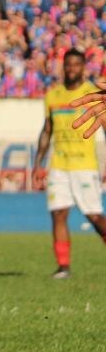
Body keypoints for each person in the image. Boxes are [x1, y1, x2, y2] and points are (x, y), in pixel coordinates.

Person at [34, 49, 106, 279]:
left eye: (76, 65)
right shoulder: (53, 95)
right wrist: (38, 162)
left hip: (85, 166)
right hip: (59, 166)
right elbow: (47, 131)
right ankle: (63, 267)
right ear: (63, 67)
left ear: (83, 67)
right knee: (58, 214)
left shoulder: (93, 94)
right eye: (68, 65)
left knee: (94, 216)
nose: (71, 69)